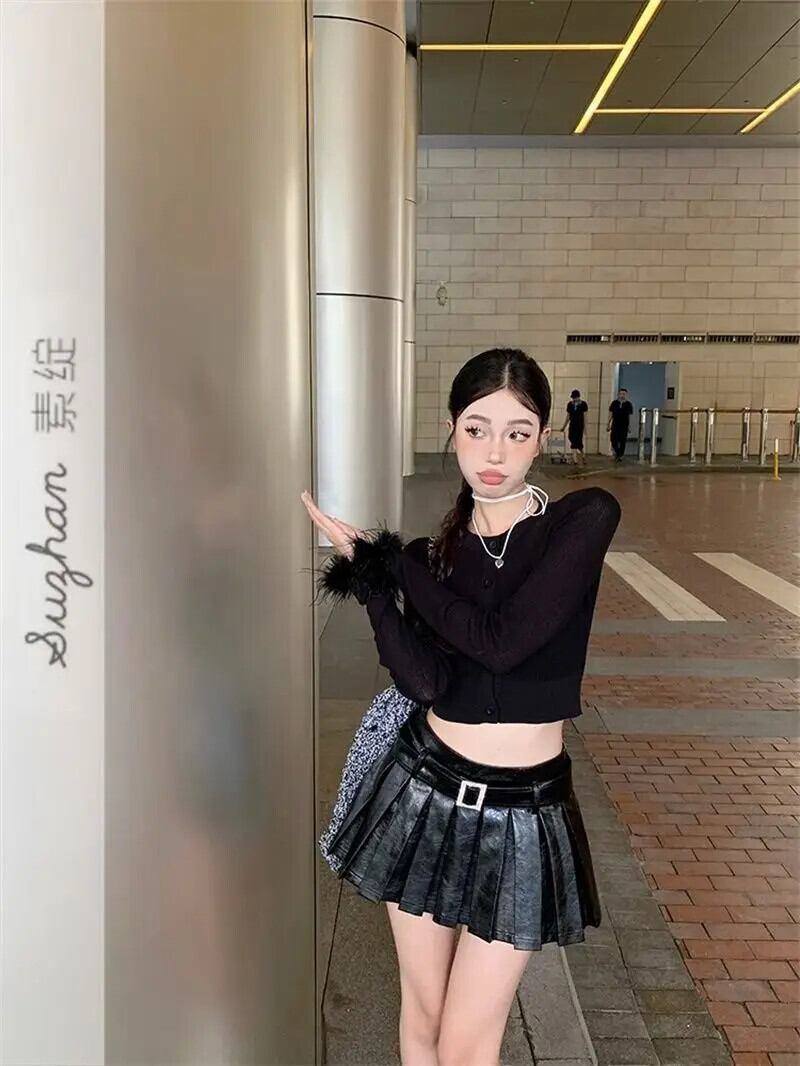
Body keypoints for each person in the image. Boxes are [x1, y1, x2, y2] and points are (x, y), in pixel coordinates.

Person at [302, 348, 621, 1066]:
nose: (495, 452)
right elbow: (425, 683)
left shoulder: (579, 522)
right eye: (477, 429)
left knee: (468, 1042)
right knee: (423, 1017)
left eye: (517, 431)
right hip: (423, 792)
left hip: (524, 812)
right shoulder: (434, 558)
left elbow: (501, 644)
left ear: (542, 438)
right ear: (452, 430)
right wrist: (375, 583)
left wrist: (396, 563)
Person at [560, 388, 588, 465]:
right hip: (572, 425)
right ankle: (581, 455)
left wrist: (585, 428)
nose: (574, 399)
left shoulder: (583, 404)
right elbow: (568, 416)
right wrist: (564, 426)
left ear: (579, 397)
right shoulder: (570, 404)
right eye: (573, 398)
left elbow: (585, 417)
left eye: (575, 397)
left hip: (580, 426)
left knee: (576, 442)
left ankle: (575, 460)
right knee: (572, 439)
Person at [607, 387, 634, 462]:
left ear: (626, 395)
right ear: (618, 394)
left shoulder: (628, 404)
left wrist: (629, 426)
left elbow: (629, 416)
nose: (622, 395)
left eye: (624, 394)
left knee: (622, 441)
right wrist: (608, 424)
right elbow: (610, 414)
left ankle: (620, 455)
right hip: (615, 424)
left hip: (624, 425)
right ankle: (618, 453)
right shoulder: (614, 403)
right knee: (613, 439)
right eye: (621, 394)